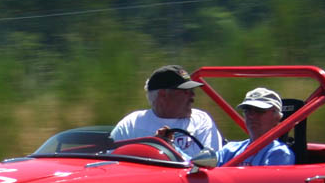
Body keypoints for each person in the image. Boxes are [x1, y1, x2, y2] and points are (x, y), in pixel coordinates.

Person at [157, 86, 294, 166]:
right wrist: (169, 145)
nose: (251, 116)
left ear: (277, 117)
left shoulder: (278, 153)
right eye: (247, 110)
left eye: (259, 111)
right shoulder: (232, 149)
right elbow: (196, 164)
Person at [110, 65, 222, 156]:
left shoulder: (201, 120)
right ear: (163, 94)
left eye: (192, 89)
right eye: (186, 90)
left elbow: (212, 162)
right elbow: (111, 160)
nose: (193, 95)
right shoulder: (131, 124)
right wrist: (151, 149)